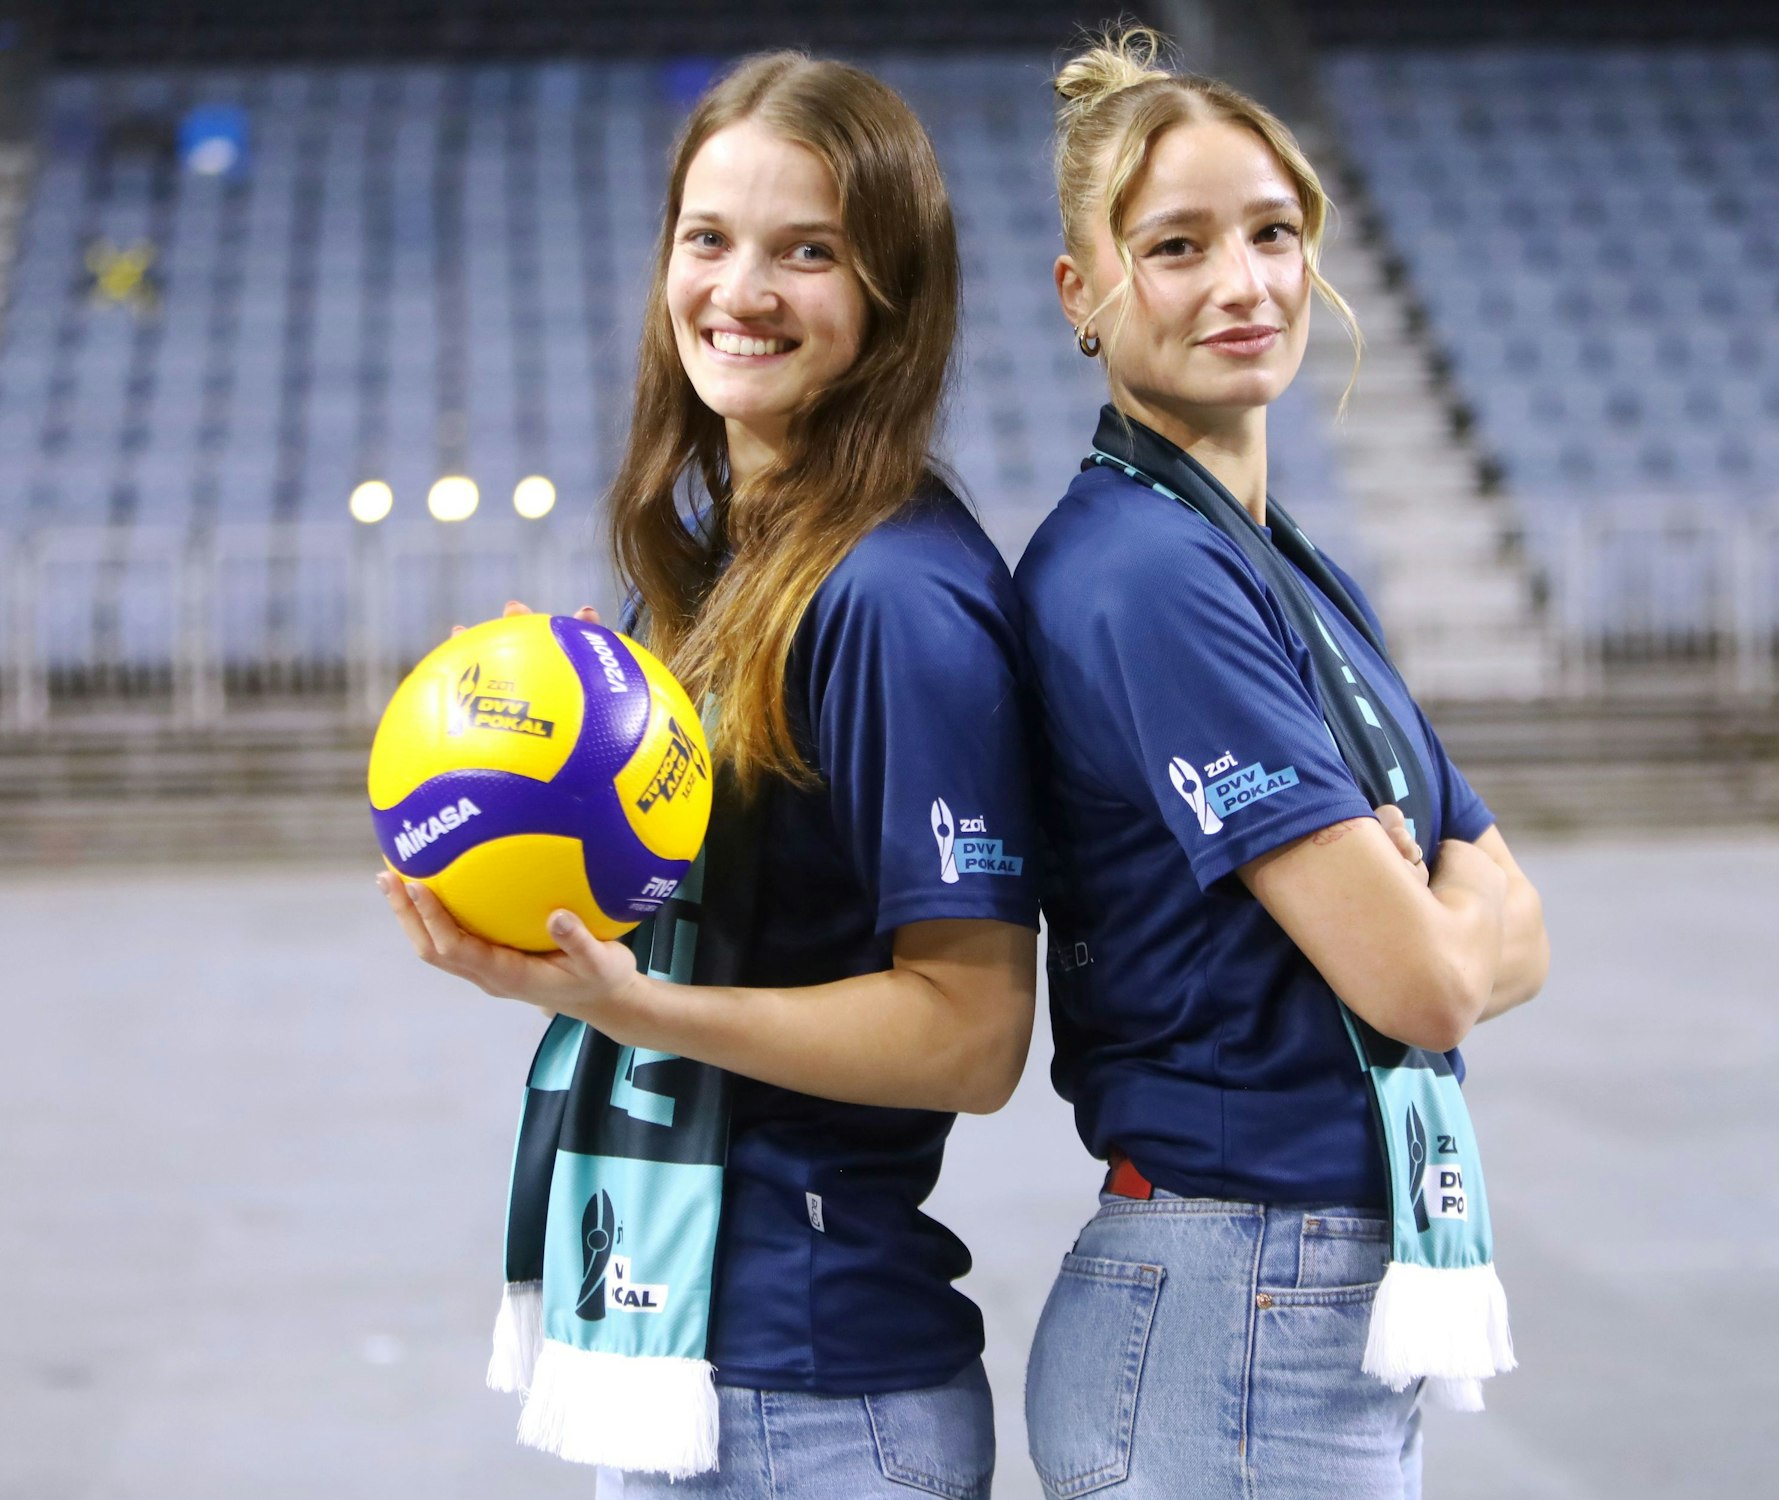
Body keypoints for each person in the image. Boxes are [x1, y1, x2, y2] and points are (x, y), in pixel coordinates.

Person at [378, 52, 1037, 1499]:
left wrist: (630, 1005)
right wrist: (539, 796)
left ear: (892, 295)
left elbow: (972, 1036)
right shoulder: (719, 558)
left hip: (817, 1400)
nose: (741, 290)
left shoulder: (898, 596)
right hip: (700, 1353)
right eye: (709, 238)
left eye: (809, 251)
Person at [1013, 29, 1550, 1500]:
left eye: (1272, 232)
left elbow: (1523, 923)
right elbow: (1433, 983)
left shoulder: (1278, 563)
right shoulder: (1147, 575)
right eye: (1176, 246)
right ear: (1081, 293)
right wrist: (1433, 913)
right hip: (1234, 1311)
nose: (1244, 283)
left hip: (1290, 1301)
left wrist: (1432, 911)